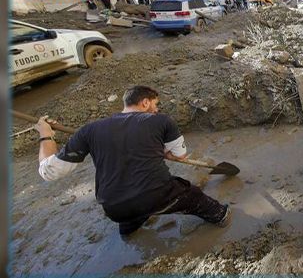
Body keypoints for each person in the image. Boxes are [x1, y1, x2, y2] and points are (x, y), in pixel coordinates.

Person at [34, 85, 232, 236]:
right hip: (158, 195)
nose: (156, 109)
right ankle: (220, 216)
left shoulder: (89, 130)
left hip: (114, 208)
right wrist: (164, 152)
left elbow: (49, 171)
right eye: (155, 105)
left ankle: (129, 230)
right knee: (196, 197)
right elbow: (180, 155)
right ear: (145, 102)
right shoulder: (161, 121)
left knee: (131, 212)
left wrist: (45, 135)